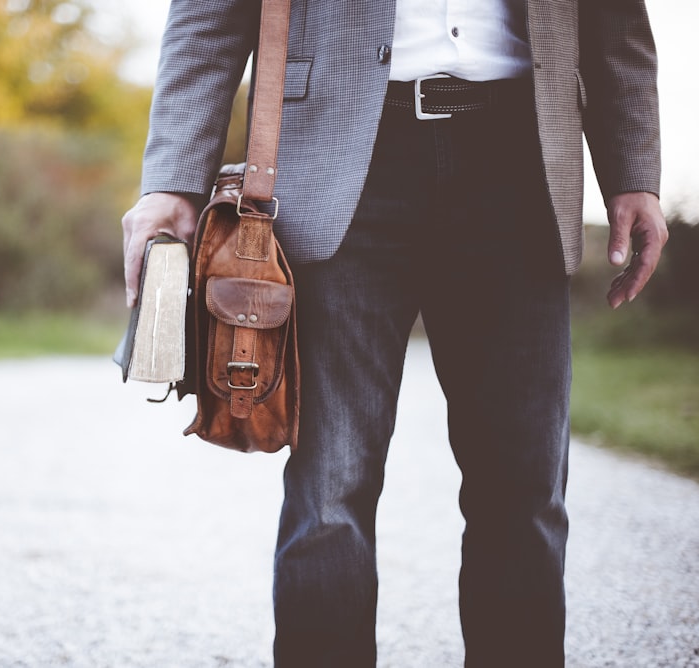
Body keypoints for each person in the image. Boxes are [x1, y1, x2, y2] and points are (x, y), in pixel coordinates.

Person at [121, 0, 667, 665]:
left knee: (525, 492)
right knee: (330, 489)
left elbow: (614, 21)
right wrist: (171, 179)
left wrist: (634, 169)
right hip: (340, 158)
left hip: (521, 162)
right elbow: (208, 16)